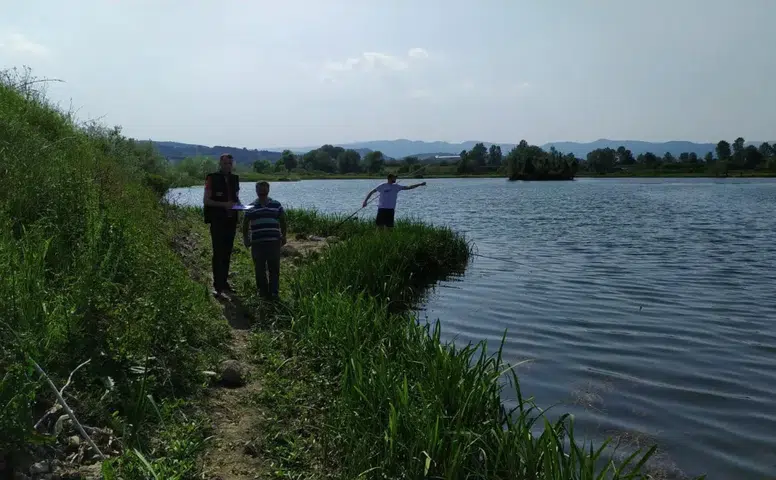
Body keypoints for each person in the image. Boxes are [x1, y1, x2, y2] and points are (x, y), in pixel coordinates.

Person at [242, 181, 287, 301]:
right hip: (257, 242)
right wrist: (246, 238)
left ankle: (274, 293)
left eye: (264, 190)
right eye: (260, 190)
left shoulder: (276, 205)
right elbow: (245, 224)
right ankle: (262, 292)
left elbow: (283, 220)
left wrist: (284, 236)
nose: (262, 192)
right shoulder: (250, 207)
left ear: (268, 190)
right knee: (259, 269)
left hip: (274, 241)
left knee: (274, 269)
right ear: (256, 191)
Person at [203, 153, 241, 296]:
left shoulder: (235, 179)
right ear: (220, 164)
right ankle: (217, 285)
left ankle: (224, 282)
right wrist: (224, 205)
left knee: (227, 252)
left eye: (230, 164)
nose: (227, 166)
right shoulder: (211, 178)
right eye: (225, 163)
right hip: (217, 220)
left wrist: (242, 207)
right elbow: (206, 201)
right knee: (218, 252)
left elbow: (236, 198)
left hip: (231, 220)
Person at [362, 173, 426, 228]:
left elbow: (408, 187)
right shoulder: (382, 185)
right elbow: (371, 192)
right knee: (379, 227)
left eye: (395, 178)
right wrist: (365, 201)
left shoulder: (396, 186)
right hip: (382, 209)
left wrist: (419, 184)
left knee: (389, 228)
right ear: (389, 178)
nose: (395, 179)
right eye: (394, 178)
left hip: (391, 209)